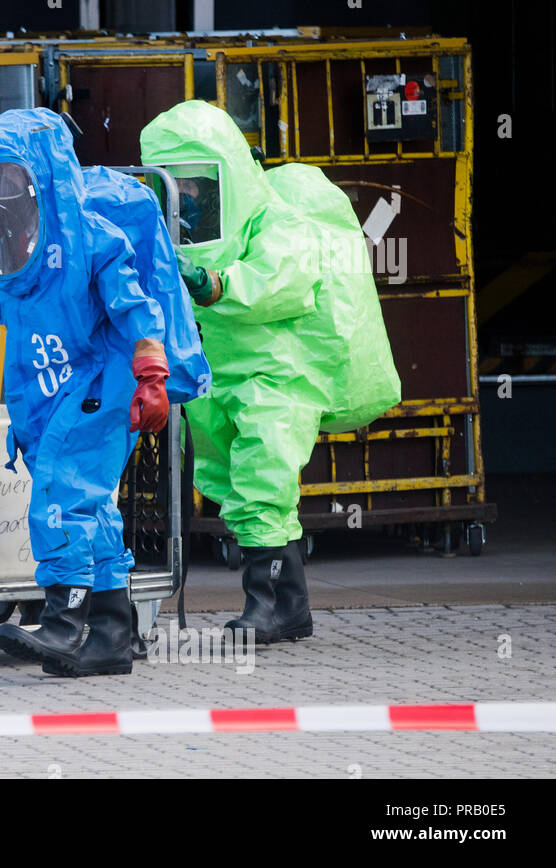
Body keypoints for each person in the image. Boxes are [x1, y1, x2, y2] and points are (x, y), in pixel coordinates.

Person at [0, 107, 209, 676]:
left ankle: (64, 623)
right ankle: (111, 634)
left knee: (61, 498)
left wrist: (152, 377)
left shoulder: (91, 237)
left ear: (40, 172)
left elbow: (136, 308)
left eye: (7, 178)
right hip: (48, 397)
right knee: (92, 508)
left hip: (97, 385)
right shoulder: (22, 251)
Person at [140, 100, 401, 643]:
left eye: (194, 181)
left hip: (278, 371)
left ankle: (267, 604)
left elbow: (281, 280)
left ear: (225, 174)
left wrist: (214, 284)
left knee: (265, 477)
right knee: (235, 482)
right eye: (174, 183)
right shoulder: (178, 226)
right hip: (218, 368)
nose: (185, 195)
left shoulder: (278, 220)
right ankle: (291, 607)